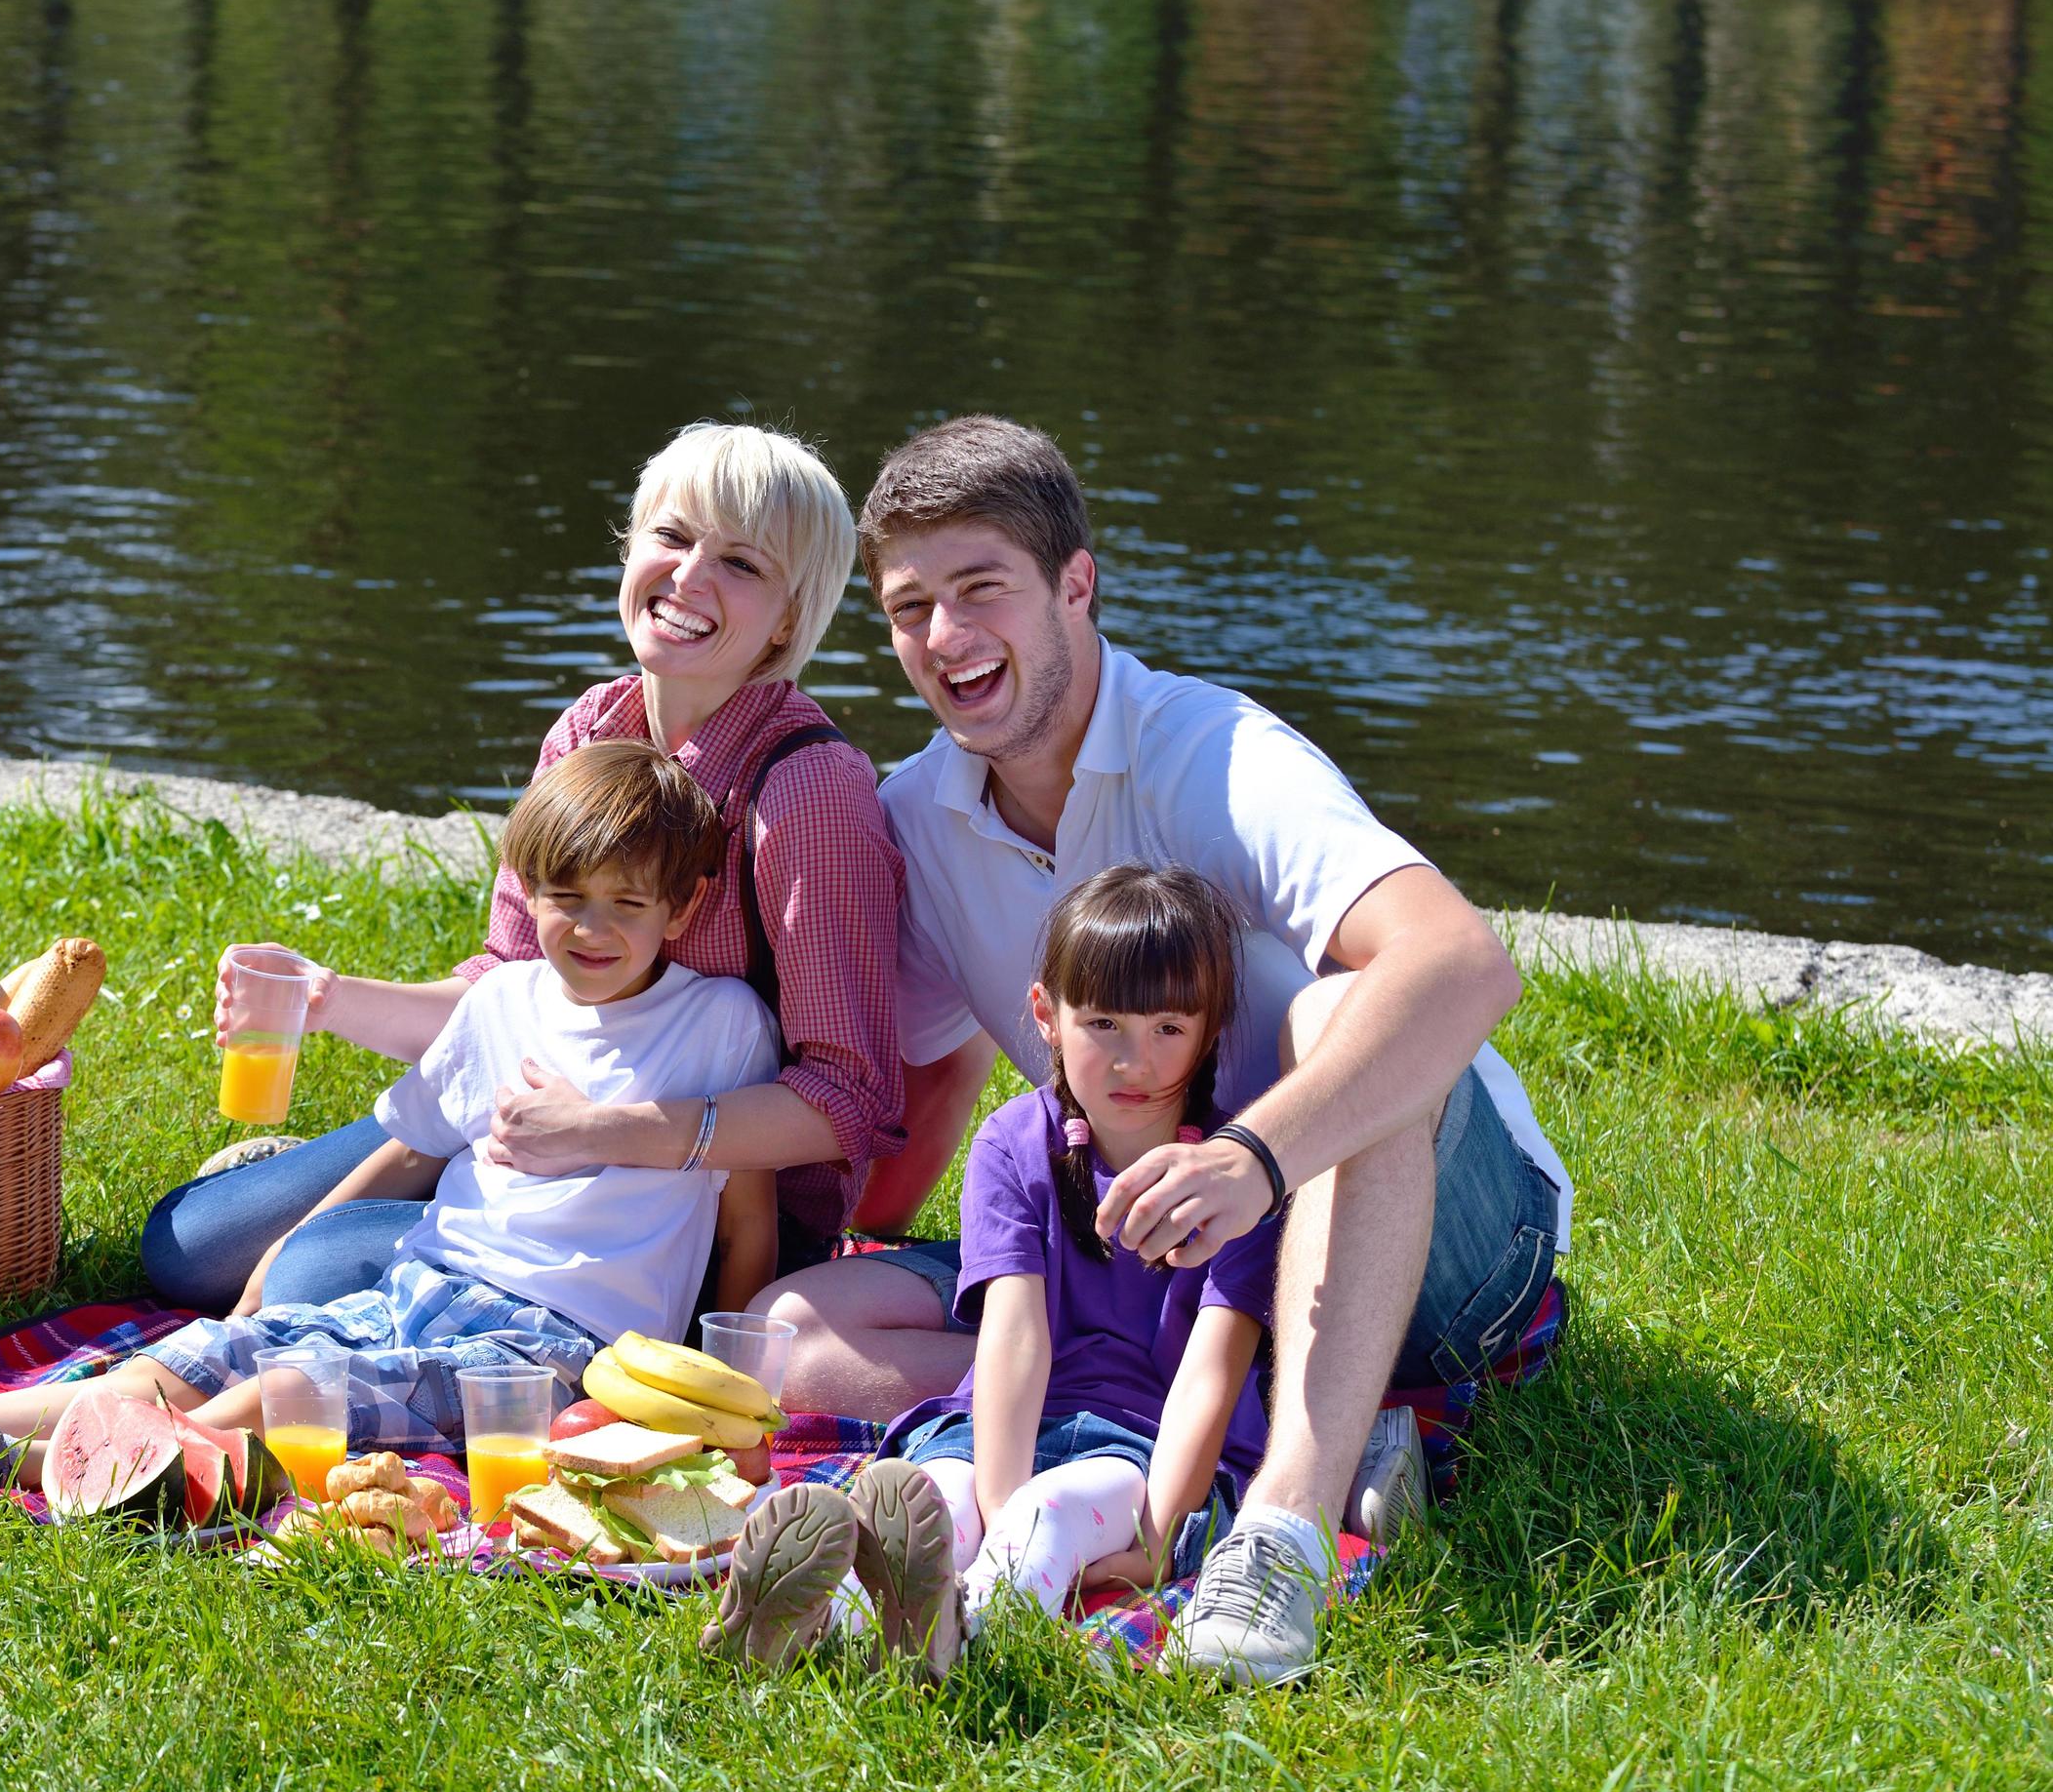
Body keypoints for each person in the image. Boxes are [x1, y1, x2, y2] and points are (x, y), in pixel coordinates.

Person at [750, 416, 1571, 1687]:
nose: (948, 639)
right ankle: (1148, 1436)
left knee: (1332, 1012)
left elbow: (1461, 963)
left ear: (1078, 585)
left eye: (984, 591)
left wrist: (1254, 1157)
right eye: (912, 609)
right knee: (790, 1327)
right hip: (1147, 1258)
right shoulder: (922, 813)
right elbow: (923, 1073)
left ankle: (1283, 1531)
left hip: (1453, 1247)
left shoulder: (1214, 757)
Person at [0, 742, 782, 1501]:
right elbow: (412, 1146)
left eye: (625, 905)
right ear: (528, 889)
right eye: (563, 896)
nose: (588, 928)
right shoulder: (500, 1004)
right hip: (421, 1282)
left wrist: (715, 1393)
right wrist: (285, 1243)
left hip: (548, 1346)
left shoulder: (718, 1024)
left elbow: (744, 1216)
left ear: (681, 910)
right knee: (192, 1358)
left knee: (279, 1393)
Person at [140, 422, 906, 1322]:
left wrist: (604, 1131)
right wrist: (330, 999)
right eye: (671, 536)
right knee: (183, 1249)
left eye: (741, 563)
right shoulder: (589, 732)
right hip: (522, 1136)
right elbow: (507, 986)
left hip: (686, 1215)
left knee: (306, 1277)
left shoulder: (810, 791)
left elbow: (846, 1100)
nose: (691, 577)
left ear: (789, 618)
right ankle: (395, 1178)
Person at [704, 864, 1282, 1682]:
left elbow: (1210, 1374)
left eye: (1168, 1028)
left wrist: (1156, 1537)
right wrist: (993, 1492)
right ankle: (817, 1618)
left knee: (1045, 1518)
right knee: (932, 1498)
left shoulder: (1234, 1178)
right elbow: (1012, 1339)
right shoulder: (1014, 1143)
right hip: (994, 1420)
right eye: (1105, 1023)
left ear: (1209, 1025)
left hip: (1142, 1449)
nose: (1135, 1060)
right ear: (1047, 1015)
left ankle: (964, 1635)